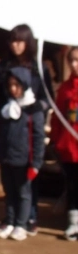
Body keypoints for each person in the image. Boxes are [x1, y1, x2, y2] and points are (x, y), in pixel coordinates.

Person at [0, 24, 52, 235]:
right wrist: (4, 108)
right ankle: (11, 218)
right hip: (8, 121)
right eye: (13, 41)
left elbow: (47, 96)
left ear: (28, 42)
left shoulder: (38, 67)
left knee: (27, 180)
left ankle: (29, 218)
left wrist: (36, 108)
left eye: (20, 41)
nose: (16, 45)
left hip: (30, 122)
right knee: (11, 181)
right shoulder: (3, 66)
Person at [0, 67, 45, 241]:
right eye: (10, 85)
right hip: (6, 157)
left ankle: (21, 223)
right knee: (9, 192)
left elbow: (38, 138)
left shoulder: (33, 110)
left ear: (24, 85)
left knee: (23, 193)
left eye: (17, 85)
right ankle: (10, 221)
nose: (13, 89)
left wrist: (36, 164)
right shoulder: (6, 109)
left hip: (24, 160)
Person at [52, 47, 78, 241]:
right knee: (73, 186)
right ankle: (74, 223)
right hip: (69, 148)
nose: (75, 64)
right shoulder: (65, 88)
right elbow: (58, 116)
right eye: (72, 61)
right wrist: (56, 139)